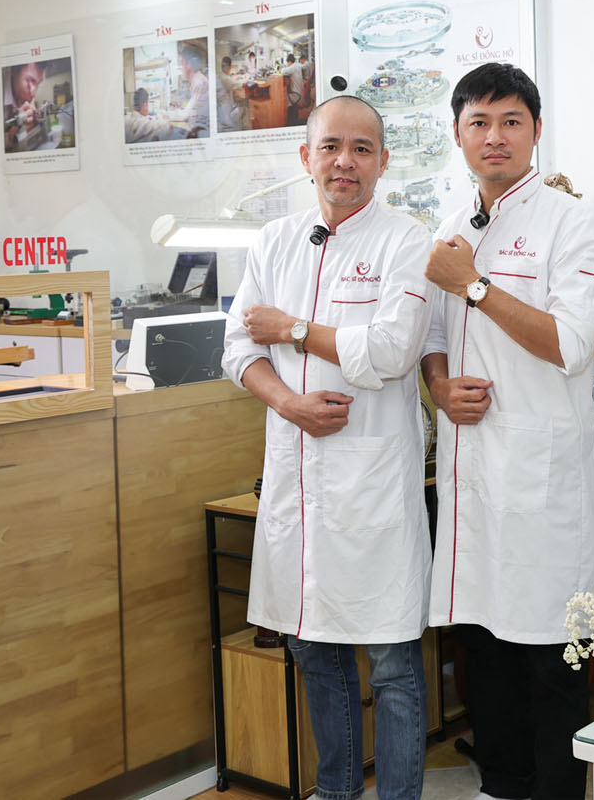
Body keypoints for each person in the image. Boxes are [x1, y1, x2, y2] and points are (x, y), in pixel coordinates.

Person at [222, 95, 434, 800]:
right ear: (305, 156)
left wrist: (291, 328)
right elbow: (237, 348)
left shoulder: (405, 239)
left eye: (362, 148)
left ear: (383, 161)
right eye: (332, 147)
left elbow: (392, 350)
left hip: (374, 486)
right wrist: (288, 404)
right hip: (298, 480)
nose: (346, 161)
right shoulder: (274, 240)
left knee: (394, 665)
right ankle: (337, 791)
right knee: (314, 650)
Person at [420, 63, 594, 800]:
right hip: (471, 469)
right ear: (458, 134)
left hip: (540, 473)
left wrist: (475, 285)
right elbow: (433, 336)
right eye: (479, 122)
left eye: (510, 122)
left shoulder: (570, 222)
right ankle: (501, 782)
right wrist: (439, 387)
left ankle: (558, 790)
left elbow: (571, 343)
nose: (494, 136)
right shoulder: (450, 227)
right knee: (482, 642)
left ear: (535, 130)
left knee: (549, 652)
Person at [3, 61, 44, 150]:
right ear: (14, 71)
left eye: (38, 83)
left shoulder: (26, 94)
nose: (33, 94)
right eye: (29, 80)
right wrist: (9, 139)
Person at [179, 45, 210, 137]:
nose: (181, 68)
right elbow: (193, 106)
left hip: (203, 131)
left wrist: (165, 115)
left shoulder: (199, 82)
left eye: (182, 63)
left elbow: (184, 115)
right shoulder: (197, 79)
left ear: (189, 65)